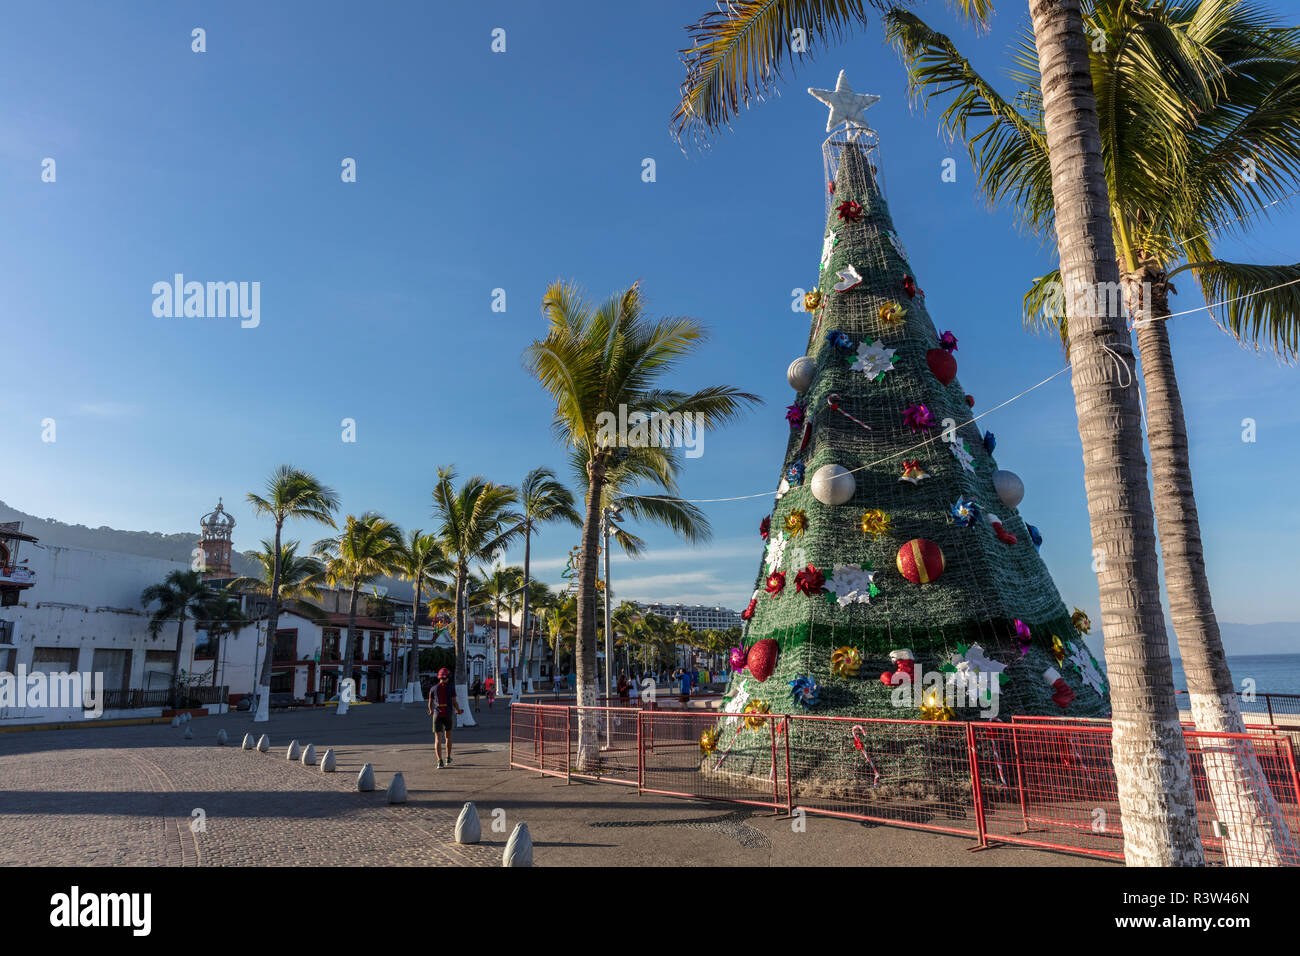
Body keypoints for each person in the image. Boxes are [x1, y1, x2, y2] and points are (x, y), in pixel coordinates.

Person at [427, 667, 462, 769]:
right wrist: (458, 710)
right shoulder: (451, 687)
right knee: (448, 736)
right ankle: (448, 757)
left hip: (437, 714)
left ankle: (439, 761)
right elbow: (455, 702)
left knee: (438, 739)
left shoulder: (433, 688)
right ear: (447, 677)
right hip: (448, 713)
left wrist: (431, 711)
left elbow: (430, 704)